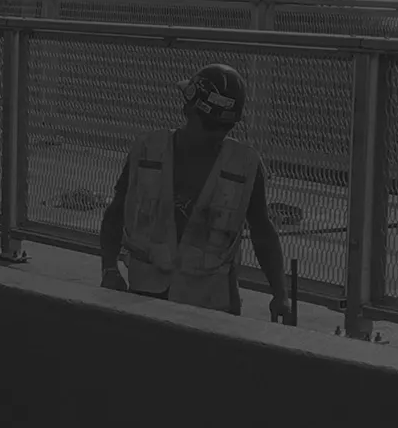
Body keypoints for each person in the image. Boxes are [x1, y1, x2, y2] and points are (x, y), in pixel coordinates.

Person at [96, 63, 292, 320]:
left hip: (193, 303)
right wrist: (280, 295)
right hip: (176, 300)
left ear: (188, 106)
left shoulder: (149, 150)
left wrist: (109, 269)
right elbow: (263, 232)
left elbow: (116, 211)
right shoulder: (243, 164)